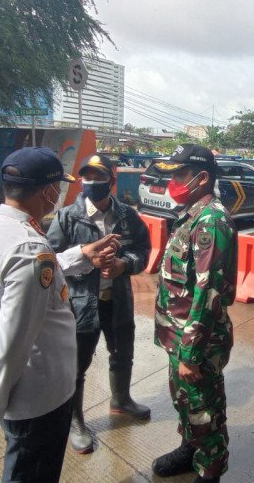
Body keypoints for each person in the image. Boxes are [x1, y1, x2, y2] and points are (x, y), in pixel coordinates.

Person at [0, 147, 118, 483]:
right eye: (59, 187)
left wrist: (81, 253)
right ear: (48, 190)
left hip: (30, 389)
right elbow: (14, 341)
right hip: (40, 397)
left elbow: (37, 278)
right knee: (32, 473)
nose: (61, 194)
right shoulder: (28, 248)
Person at [47, 154, 152, 455]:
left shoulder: (127, 215)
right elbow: (51, 263)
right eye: (87, 177)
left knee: (122, 354)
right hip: (82, 305)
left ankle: (121, 400)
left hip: (117, 300)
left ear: (112, 180)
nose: (92, 182)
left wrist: (124, 263)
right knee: (77, 365)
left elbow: (143, 250)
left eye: (99, 176)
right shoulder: (67, 217)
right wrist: (86, 260)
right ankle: (75, 419)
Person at [150, 144, 237, 483]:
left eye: (179, 174)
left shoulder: (212, 222)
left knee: (206, 413)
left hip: (197, 344)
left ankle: (210, 470)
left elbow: (208, 294)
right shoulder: (191, 216)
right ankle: (190, 449)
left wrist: (191, 354)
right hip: (179, 337)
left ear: (202, 178)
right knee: (185, 402)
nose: (173, 181)